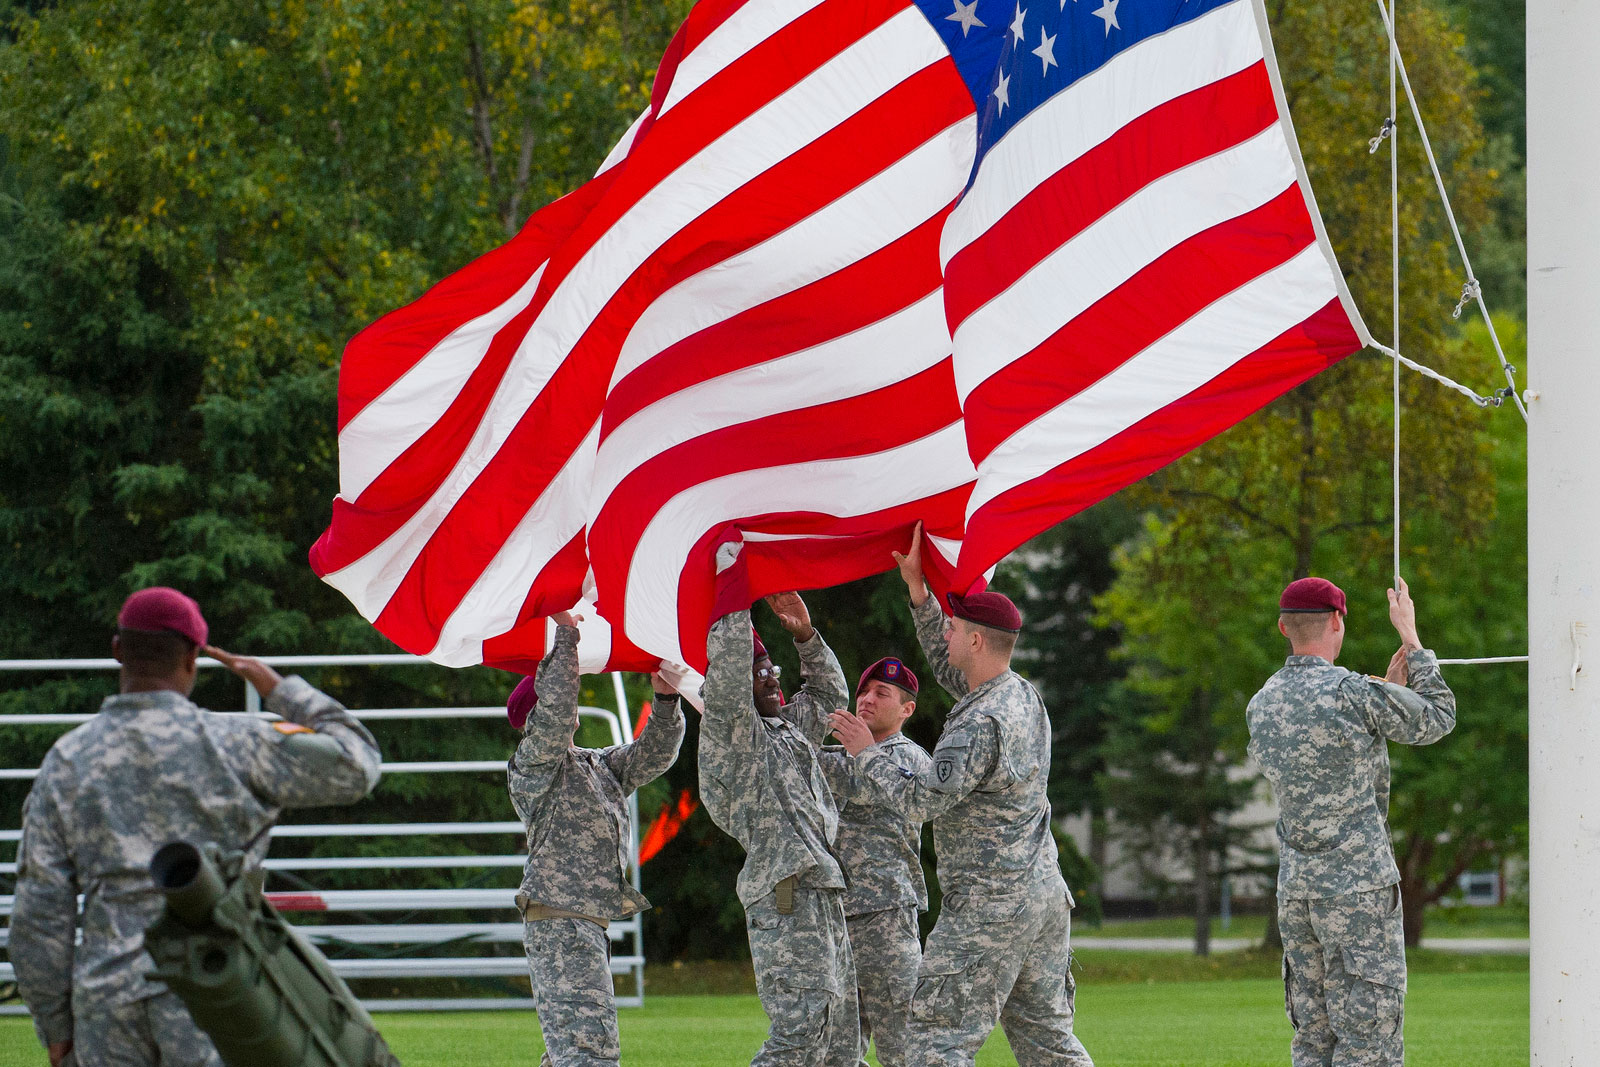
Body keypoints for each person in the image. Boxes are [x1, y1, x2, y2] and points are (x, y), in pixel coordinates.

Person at [10, 587, 383, 1067]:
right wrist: (277, 688)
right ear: (192, 657)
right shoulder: (239, 745)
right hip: (218, 993)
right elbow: (359, 762)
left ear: (118, 650)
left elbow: (40, 911)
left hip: (107, 1001)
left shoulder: (66, 761)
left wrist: (55, 1026)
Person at [829, 523, 1094, 1067]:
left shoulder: (979, 723)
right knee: (1049, 1044)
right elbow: (951, 668)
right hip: (1042, 897)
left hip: (990, 906)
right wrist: (920, 596)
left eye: (952, 630)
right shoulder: (1021, 696)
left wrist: (866, 753)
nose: (944, 638)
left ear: (976, 640)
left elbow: (923, 802)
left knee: (933, 1043)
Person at [1246, 576, 1456, 1067]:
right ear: (1338, 620)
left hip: (1297, 891)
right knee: (1369, 1043)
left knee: (1313, 1040)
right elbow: (1439, 717)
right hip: (1358, 889)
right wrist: (1412, 639)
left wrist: (1385, 696)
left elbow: (1316, 756)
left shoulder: (1262, 704)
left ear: (1283, 627)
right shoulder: (1354, 693)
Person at [506, 612, 687, 1067]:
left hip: (582, 922)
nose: (569, 712)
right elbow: (553, 714)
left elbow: (653, 755)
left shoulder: (595, 765)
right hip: (561, 920)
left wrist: (665, 701)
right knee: (588, 1051)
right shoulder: (533, 767)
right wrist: (567, 637)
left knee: (574, 1050)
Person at [700, 589, 859, 1066]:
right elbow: (727, 675)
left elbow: (830, 699)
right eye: (759, 673)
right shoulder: (735, 735)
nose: (771, 680)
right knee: (801, 1029)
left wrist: (806, 636)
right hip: (786, 894)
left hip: (822, 892)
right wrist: (733, 591)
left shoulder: (785, 729)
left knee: (839, 1040)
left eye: (773, 672)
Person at [818, 657, 932, 1067]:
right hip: (837, 916)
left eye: (881, 693)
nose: (866, 699)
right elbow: (801, 765)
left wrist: (860, 752)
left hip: (886, 917)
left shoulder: (911, 760)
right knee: (835, 1049)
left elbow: (863, 783)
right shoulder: (844, 756)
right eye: (863, 691)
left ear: (907, 709)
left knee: (902, 1045)